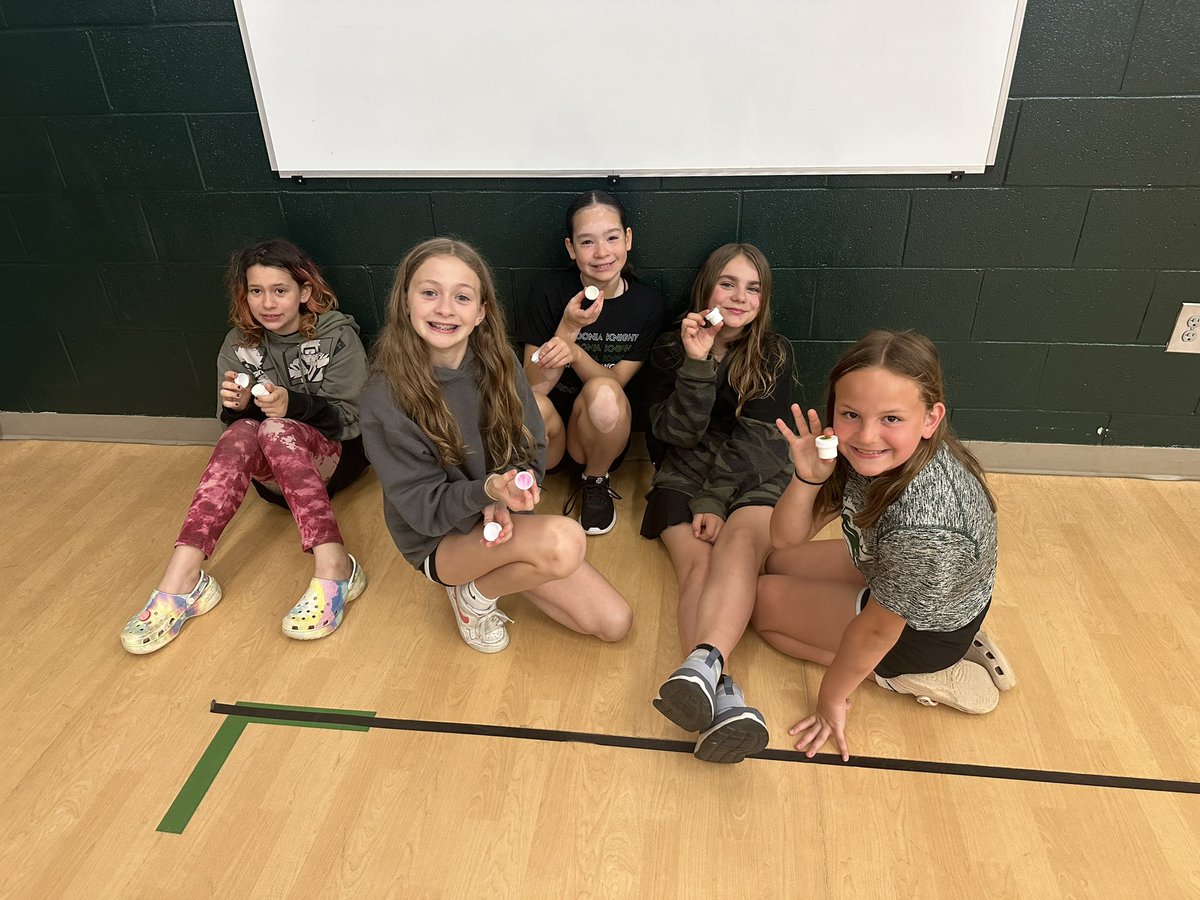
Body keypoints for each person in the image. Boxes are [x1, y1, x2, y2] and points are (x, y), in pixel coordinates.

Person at [754, 330, 1016, 762]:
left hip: (918, 633)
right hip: (909, 583)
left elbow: (877, 630)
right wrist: (808, 478)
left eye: (891, 419)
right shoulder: (868, 455)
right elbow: (785, 538)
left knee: (763, 605)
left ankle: (905, 676)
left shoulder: (926, 529)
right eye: (851, 414)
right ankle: (935, 649)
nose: (867, 436)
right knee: (777, 561)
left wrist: (830, 699)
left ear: (930, 419)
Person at [360, 238, 632, 653]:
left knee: (614, 623)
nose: (445, 308)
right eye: (430, 292)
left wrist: (510, 492)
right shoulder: (384, 396)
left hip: (493, 515)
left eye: (462, 296)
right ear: (405, 301)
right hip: (439, 540)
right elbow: (423, 509)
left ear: (481, 311)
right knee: (565, 542)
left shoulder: (499, 362)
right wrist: (486, 491)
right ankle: (472, 598)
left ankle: (490, 576)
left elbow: (529, 443)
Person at [120, 238, 369, 653]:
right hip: (274, 481)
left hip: (335, 460)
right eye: (256, 291)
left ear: (305, 292)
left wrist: (294, 405)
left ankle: (336, 567)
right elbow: (235, 429)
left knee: (276, 430)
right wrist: (236, 411)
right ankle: (182, 581)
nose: (267, 303)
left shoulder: (337, 336)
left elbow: (355, 420)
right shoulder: (238, 343)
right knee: (241, 433)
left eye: (280, 290)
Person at [644, 244, 795, 764]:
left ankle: (707, 669)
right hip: (683, 472)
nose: (739, 297)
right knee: (698, 566)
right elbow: (675, 434)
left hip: (753, 474)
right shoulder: (671, 346)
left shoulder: (773, 352)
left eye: (753, 288)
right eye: (728, 283)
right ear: (706, 287)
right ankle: (721, 693)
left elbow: (758, 439)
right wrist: (696, 361)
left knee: (739, 550)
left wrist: (714, 498)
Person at [518, 190, 666, 535]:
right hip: (550, 437)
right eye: (587, 242)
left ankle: (595, 479)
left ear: (627, 239)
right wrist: (568, 328)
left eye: (612, 237)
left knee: (603, 392)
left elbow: (616, 385)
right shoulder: (548, 293)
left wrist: (577, 353)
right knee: (532, 405)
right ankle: (524, 483)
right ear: (571, 249)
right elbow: (532, 389)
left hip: (602, 433)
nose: (602, 253)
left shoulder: (646, 304)